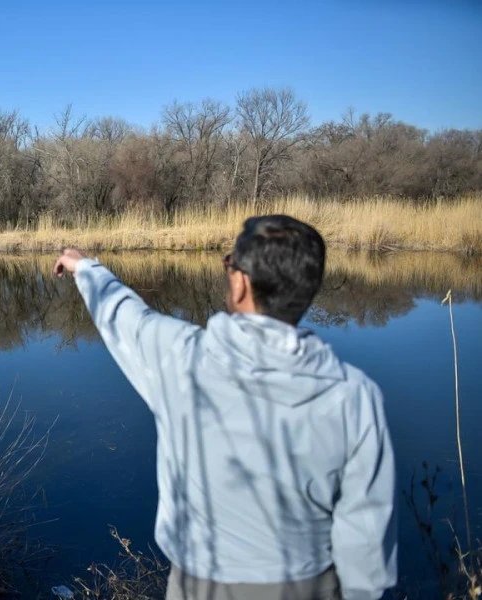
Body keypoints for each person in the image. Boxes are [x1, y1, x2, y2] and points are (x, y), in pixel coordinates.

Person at [53, 215, 397, 600]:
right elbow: (367, 545)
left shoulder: (182, 360)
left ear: (241, 282)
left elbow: (122, 314)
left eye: (229, 262)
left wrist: (84, 266)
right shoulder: (354, 396)